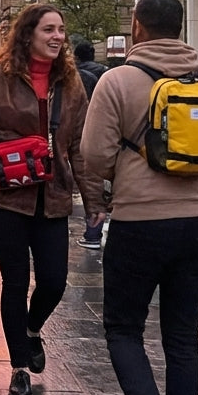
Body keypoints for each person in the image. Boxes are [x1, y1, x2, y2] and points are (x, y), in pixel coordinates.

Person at [81, 0, 198, 395]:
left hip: (138, 222)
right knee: (182, 335)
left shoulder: (117, 81)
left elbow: (95, 156)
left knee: (123, 328)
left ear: (137, 26)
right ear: (181, 27)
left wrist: (125, 172)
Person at [0, 3, 104, 395]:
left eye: (61, 30)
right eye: (49, 29)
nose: (57, 37)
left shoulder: (71, 83)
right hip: (5, 197)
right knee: (15, 281)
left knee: (53, 281)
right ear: (28, 34)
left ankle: (32, 329)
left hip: (52, 196)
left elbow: (79, 147)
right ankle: (18, 368)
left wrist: (94, 199)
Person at [73, 41, 110, 249]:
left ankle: (92, 234)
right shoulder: (103, 74)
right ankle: (93, 231)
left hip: (72, 129)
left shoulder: (74, 76)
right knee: (92, 173)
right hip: (95, 127)